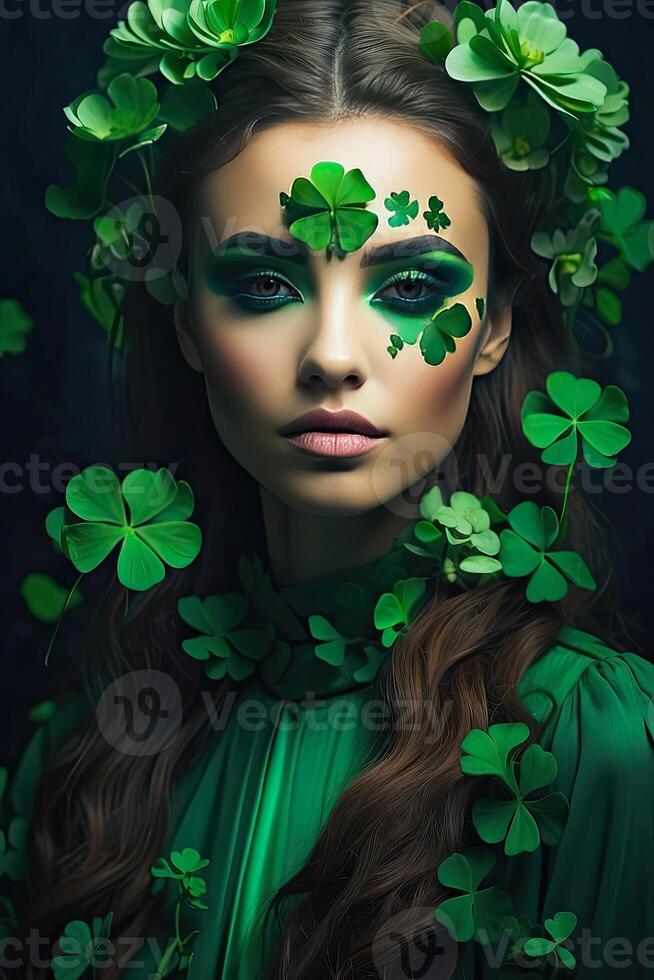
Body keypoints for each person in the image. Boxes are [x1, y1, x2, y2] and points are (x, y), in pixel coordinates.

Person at [2, 0, 653, 977]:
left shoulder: (598, 745)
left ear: (498, 328)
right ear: (185, 324)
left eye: (411, 286)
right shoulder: (82, 748)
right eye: (264, 284)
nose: (333, 356)